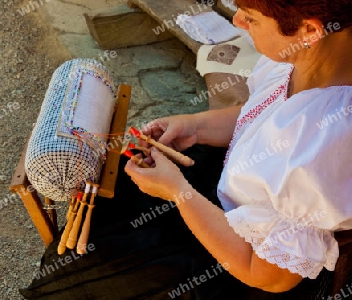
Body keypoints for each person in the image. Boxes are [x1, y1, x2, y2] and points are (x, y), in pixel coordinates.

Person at [21, 1, 352, 299]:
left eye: (250, 18)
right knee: (117, 199)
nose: (237, 21)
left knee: (93, 269)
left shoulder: (320, 150)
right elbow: (266, 114)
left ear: (309, 30)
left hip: (240, 269)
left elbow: (267, 278)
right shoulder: (310, 60)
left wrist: (179, 193)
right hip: (233, 201)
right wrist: (195, 126)